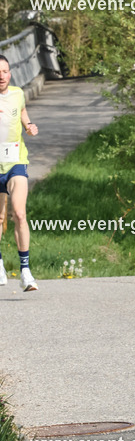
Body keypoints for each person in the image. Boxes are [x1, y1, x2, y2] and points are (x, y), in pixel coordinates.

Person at [0, 55, 39, 291]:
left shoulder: (17, 93)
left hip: (15, 161)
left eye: (4, 71)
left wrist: (28, 125)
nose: (0, 76)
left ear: (10, 73)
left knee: (19, 213)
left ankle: (25, 271)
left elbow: (22, 110)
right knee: (0, 218)